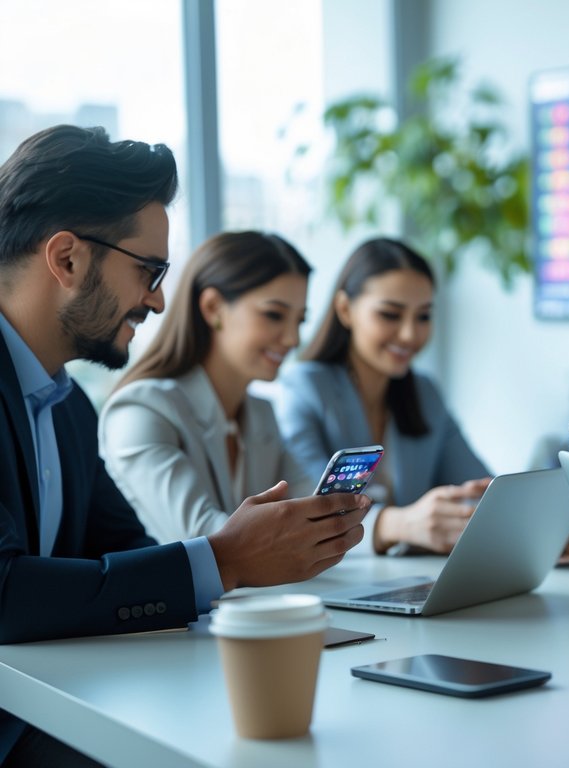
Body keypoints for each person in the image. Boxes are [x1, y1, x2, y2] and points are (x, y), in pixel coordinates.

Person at [0, 127, 368, 763]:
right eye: (148, 270)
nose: (159, 299)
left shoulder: (68, 408)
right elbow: (6, 594)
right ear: (67, 260)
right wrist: (226, 560)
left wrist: (233, 574)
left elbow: (128, 552)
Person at [275, 238, 489, 555]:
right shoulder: (304, 387)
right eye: (390, 314)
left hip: (411, 577)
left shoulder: (425, 394)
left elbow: (480, 489)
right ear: (345, 309)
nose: (410, 334)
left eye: (423, 316)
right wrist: (398, 525)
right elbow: (307, 508)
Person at [99, 231, 317, 542]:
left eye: (300, 321)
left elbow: (313, 512)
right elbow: (207, 541)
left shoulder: (261, 414)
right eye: (274, 315)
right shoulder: (142, 410)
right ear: (213, 307)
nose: (293, 339)